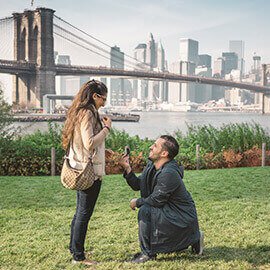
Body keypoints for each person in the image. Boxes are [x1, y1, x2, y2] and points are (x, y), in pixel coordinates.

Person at [119, 135, 204, 263]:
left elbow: (156, 200)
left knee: (145, 210)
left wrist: (137, 202)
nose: (150, 147)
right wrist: (127, 168)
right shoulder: (152, 167)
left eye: (155, 146)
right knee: (147, 209)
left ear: (164, 153)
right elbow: (138, 185)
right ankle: (194, 237)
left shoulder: (169, 173)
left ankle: (147, 253)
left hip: (182, 215)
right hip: (169, 209)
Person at [62, 79, 111, 266]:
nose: (104, 103)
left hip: (81, 168)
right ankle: (79, 256)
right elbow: (89, 142)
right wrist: (106, 129)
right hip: (88, 172)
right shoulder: (87, 114)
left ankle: (75, 249)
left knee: (80, 213)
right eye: (103, 99)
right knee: (84, 214)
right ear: (95, 96)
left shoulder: (82, 112)